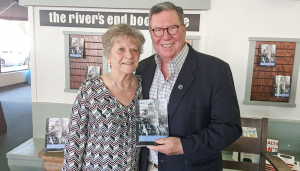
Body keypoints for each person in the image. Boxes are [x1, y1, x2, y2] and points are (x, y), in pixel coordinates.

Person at [135, 2, 242, 171]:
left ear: (184, 29)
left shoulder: (216, 70)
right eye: (158, 30)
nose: (165, 36)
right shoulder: (143, 68)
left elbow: (229, 127)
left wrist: (184, 146)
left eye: (172, 27)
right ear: (151, 33)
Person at [62, 23, 145, 171]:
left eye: (134, 49)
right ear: (108, 55)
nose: (129, 55)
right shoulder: (90, 89)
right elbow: (74, 142)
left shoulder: (144, 87)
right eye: (121, 49)